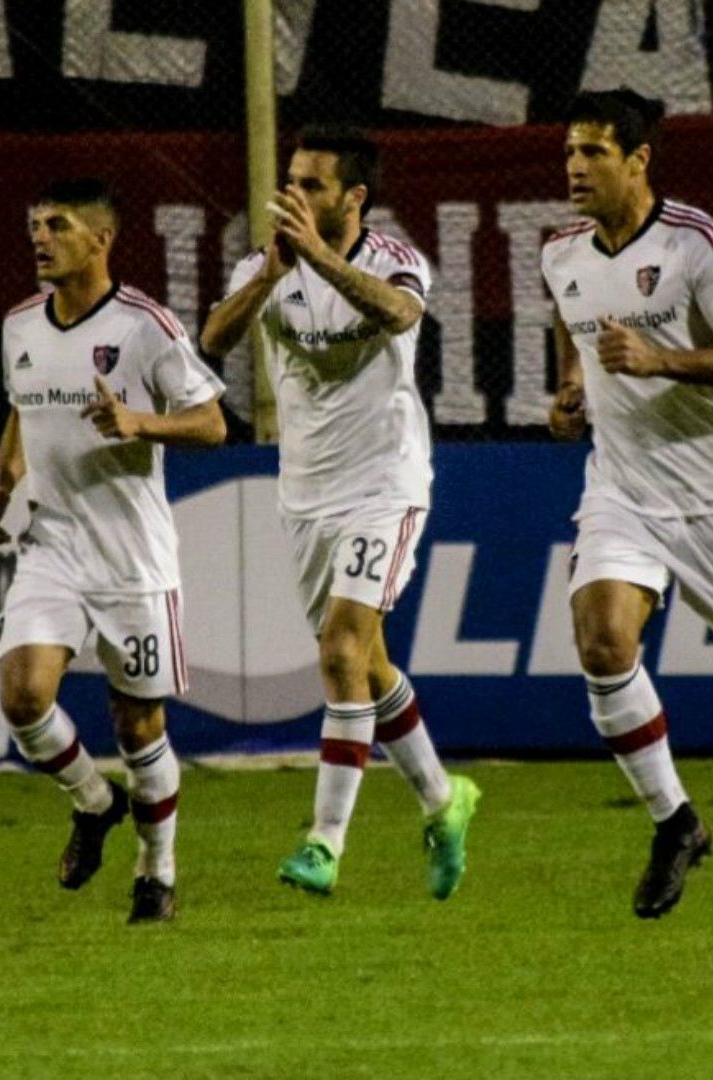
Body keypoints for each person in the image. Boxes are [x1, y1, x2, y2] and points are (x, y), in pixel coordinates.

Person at [542, 88, 713, 923]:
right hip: (623, 487)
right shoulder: (561, 252)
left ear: (638, 161)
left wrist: (664, 360)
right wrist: (569, 391)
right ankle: (675, 823)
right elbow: (574, 331)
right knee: (601, 642)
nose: (575, 168)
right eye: (568, 152)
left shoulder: (703, 245)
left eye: (593, 152)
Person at [201, 126, 480, 901]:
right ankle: (442, 799)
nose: (293, 195)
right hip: (306, 493)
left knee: (339, 652)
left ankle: (325, 842)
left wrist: (319, 262)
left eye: (313, 185)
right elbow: (213, 339)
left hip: (384, 485)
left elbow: (398, 314)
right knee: (367, 662)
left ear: (355, 197)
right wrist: (269, 276)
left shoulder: (396, 261)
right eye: (291, 180)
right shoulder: (267, 264)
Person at [0, 178, 226, 924]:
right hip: (52, 542)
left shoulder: (146, 325)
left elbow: (212, 423)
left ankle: (157, 871)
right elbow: (23, 411)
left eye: (55, 225)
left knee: (138, 727)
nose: (39, 238)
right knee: (23, 696)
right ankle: (93, 800)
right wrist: (0, 485)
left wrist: (138, 423)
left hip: (131, 558)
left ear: (100, 240)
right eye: (34, 224)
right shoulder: (21, 324)